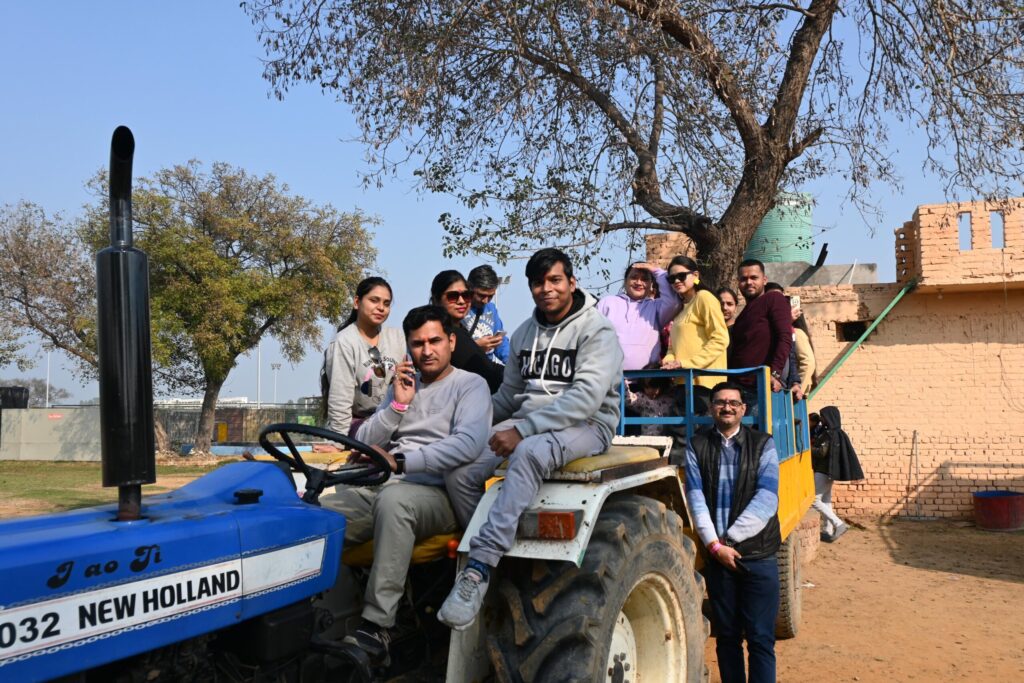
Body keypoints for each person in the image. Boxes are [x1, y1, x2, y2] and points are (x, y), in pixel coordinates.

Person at [437, 248, 623, 630]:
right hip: (529, 420)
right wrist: (464, 425)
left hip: (588, 424)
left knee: (528, 453)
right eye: (538, 283)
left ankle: (479, 567)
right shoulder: (524, 333)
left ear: (572, 282)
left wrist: (522, 430)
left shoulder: (597, 331)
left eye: (555, 280)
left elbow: (586, 399)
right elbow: (508, 397)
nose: (546, 289)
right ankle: (502, 560)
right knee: (460, 471)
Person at [321, 305, 492, 664]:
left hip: (437, 493)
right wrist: (396, 407)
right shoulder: (402, 385)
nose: (426, 351)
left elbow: (467, 445)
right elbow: (364, 442)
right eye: (417, 344)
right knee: (314, 515)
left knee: (395, 501)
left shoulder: (470, 386)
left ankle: (378, 626)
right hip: (382, 486)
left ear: (451, 342)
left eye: (434, 341)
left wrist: (401, 462)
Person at [683, 381, 781, 683]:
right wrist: (715, 548)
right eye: (720, 402)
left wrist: (725, 542)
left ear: (743, 409)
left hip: (758, 555)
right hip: (720, 559)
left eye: (733, 403)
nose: (727, 407)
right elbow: (695, 498)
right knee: (727, 637)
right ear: (711, 407)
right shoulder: (697, 445)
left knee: (761, 638)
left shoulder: (763, 444)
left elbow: (767, 498)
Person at [321, 277, 405, 436]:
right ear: (357, 302)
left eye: (386, 303)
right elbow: (340, 400)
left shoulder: (397, 337)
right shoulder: (344, 342)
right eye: (374, 300)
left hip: (396, 417)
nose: (381, 308)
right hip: (360, 424)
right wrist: (337, 441)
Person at [660, 255, 730, 413]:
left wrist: (688, 363)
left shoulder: (704, 298)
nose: (676, 281)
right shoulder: (681, 309)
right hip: (683, 382)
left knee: (701, 427)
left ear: (696, 275)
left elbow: (720, 339)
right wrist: (669, 361)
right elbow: (673, 347)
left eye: (681, 276)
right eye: (671, 278)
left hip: (705, 383)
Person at [728, 260, 793, 407]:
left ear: (764, 280)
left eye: (754, 277)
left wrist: (774, 374)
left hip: (761, 386)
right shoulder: (743, 315)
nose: (749, 282)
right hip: (739, 387)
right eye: (743, 279)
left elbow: (785, 337)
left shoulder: (773, 299)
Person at [430, 270, 505, 393]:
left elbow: (502, 348)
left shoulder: (458, 328)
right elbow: (486, 372)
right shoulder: (443, 332)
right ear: (436, 299)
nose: (461, 301)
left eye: (466, 295)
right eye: (453, 296)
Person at [597, 261, 680, 370]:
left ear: (651, 284)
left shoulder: (656, 307)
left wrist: (656, 272)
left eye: (645, 279)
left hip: (646, 378)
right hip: (610, 377)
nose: (639, 283)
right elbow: (593, 337)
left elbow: (674, 303)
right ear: (625, 281)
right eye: (634, 277)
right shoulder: (607, 303)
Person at [810, 407, 864, 542]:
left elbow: (821, 452)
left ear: (829, 417)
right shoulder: (836, 433)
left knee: (814, 500)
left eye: (823, 416)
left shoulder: (830, 434)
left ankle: (838, 524)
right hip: (828, 472)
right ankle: (827, 530)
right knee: (826, 500)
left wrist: (809, 449)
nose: (821, 419)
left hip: (823, 470)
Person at [463, 264, 510, 364]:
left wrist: (513, 363)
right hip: (463, 367)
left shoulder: (491, 309)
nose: (485, 301)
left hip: (486, 367)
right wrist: (475, 346)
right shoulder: (458, 308)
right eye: (481, 295)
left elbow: (501, 344)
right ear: (469, 288)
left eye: (490, 296)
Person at [625, 367, 674, 436]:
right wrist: (624, 383)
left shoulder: (670, 398)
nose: (650, 391)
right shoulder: (643, 398)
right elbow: (629, 400)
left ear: (662, 385)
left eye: (654, 387)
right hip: (648, 438)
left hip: (667, 439)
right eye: (646, 387)